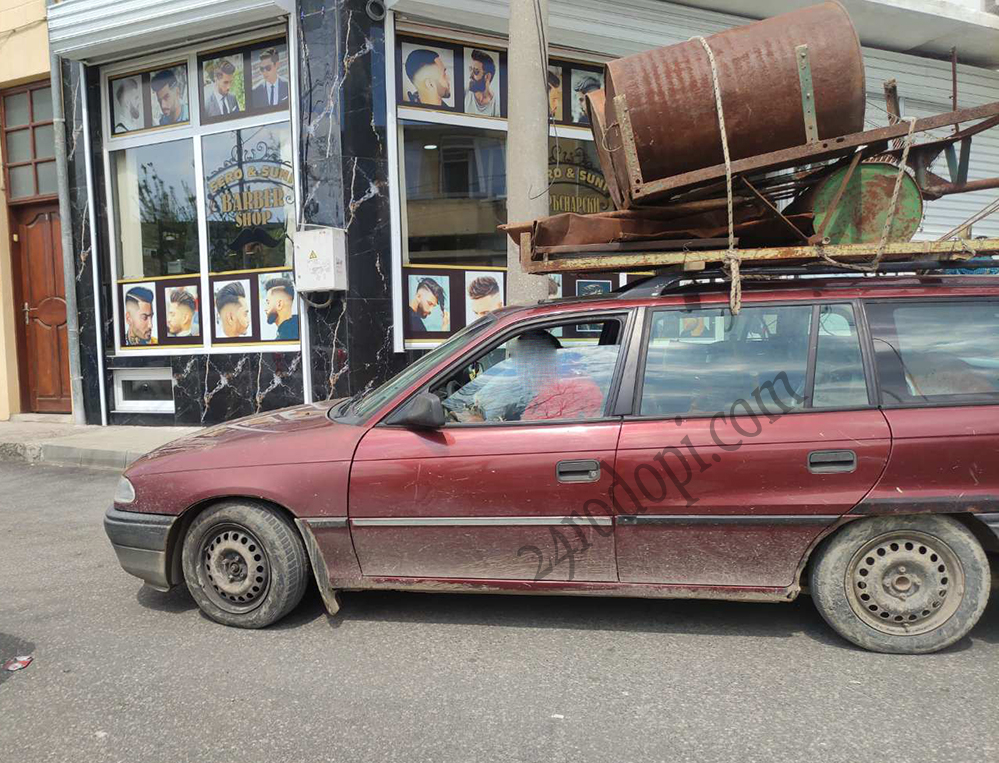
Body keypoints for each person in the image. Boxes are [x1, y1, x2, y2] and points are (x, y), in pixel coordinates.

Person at [464, 49, 499, 117]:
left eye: (476, 71)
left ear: (487, 76)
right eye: (470, 69)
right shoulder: (465, 93)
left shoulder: (497, 104)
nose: (470, 76)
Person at [263, 277, 299, 341]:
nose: (265, 309)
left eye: (268, 303)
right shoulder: (300, 327)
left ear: (279, 304)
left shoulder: (284, 339)